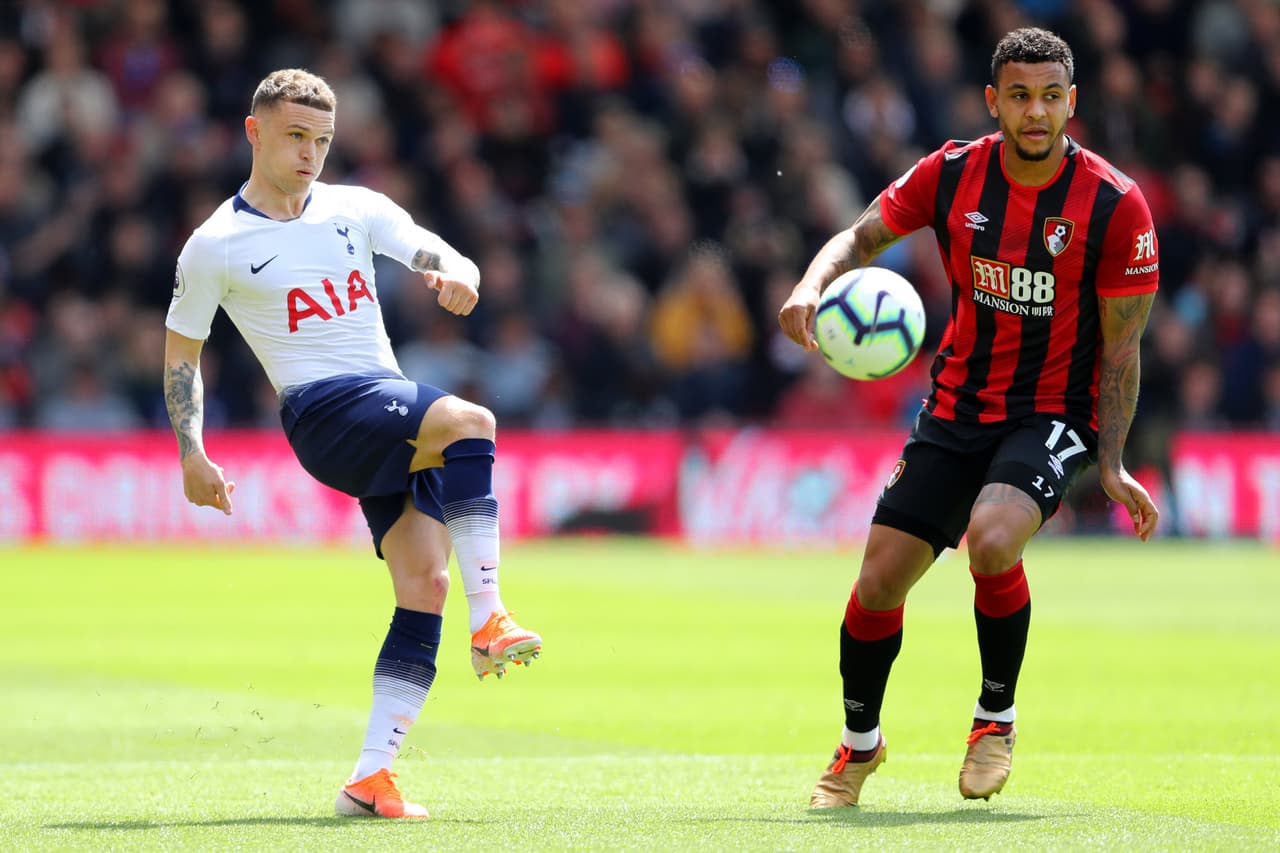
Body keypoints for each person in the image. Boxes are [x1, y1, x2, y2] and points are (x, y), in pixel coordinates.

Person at [778, 28, 1160, 808]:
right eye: (1019, 96)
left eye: (1052, 97)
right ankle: (859, 746)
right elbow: (860, 235)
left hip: (1054, 412)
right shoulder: (952, 173)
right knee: (879, 581)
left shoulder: (1116, 206)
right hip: (957, 407)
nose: (1036, 112)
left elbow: (1121, 353)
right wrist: (811, 286)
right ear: (994, 101)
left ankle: (994, 719)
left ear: (1072, 103)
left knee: (991, 539)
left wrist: (1113, 463)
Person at [163, 69, 542, 820]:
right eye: (296, 136)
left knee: (423, 586)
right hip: (323, 410)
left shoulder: (354, 207)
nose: (310, 153)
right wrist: (191, 451)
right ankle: (492, 615)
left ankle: (370, 778)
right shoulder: (217, 244)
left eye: (323, 140)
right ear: (255, 132)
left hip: (382, 404)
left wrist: (459, 274)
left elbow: (431, 250)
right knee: (472, 423)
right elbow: (182, 356)